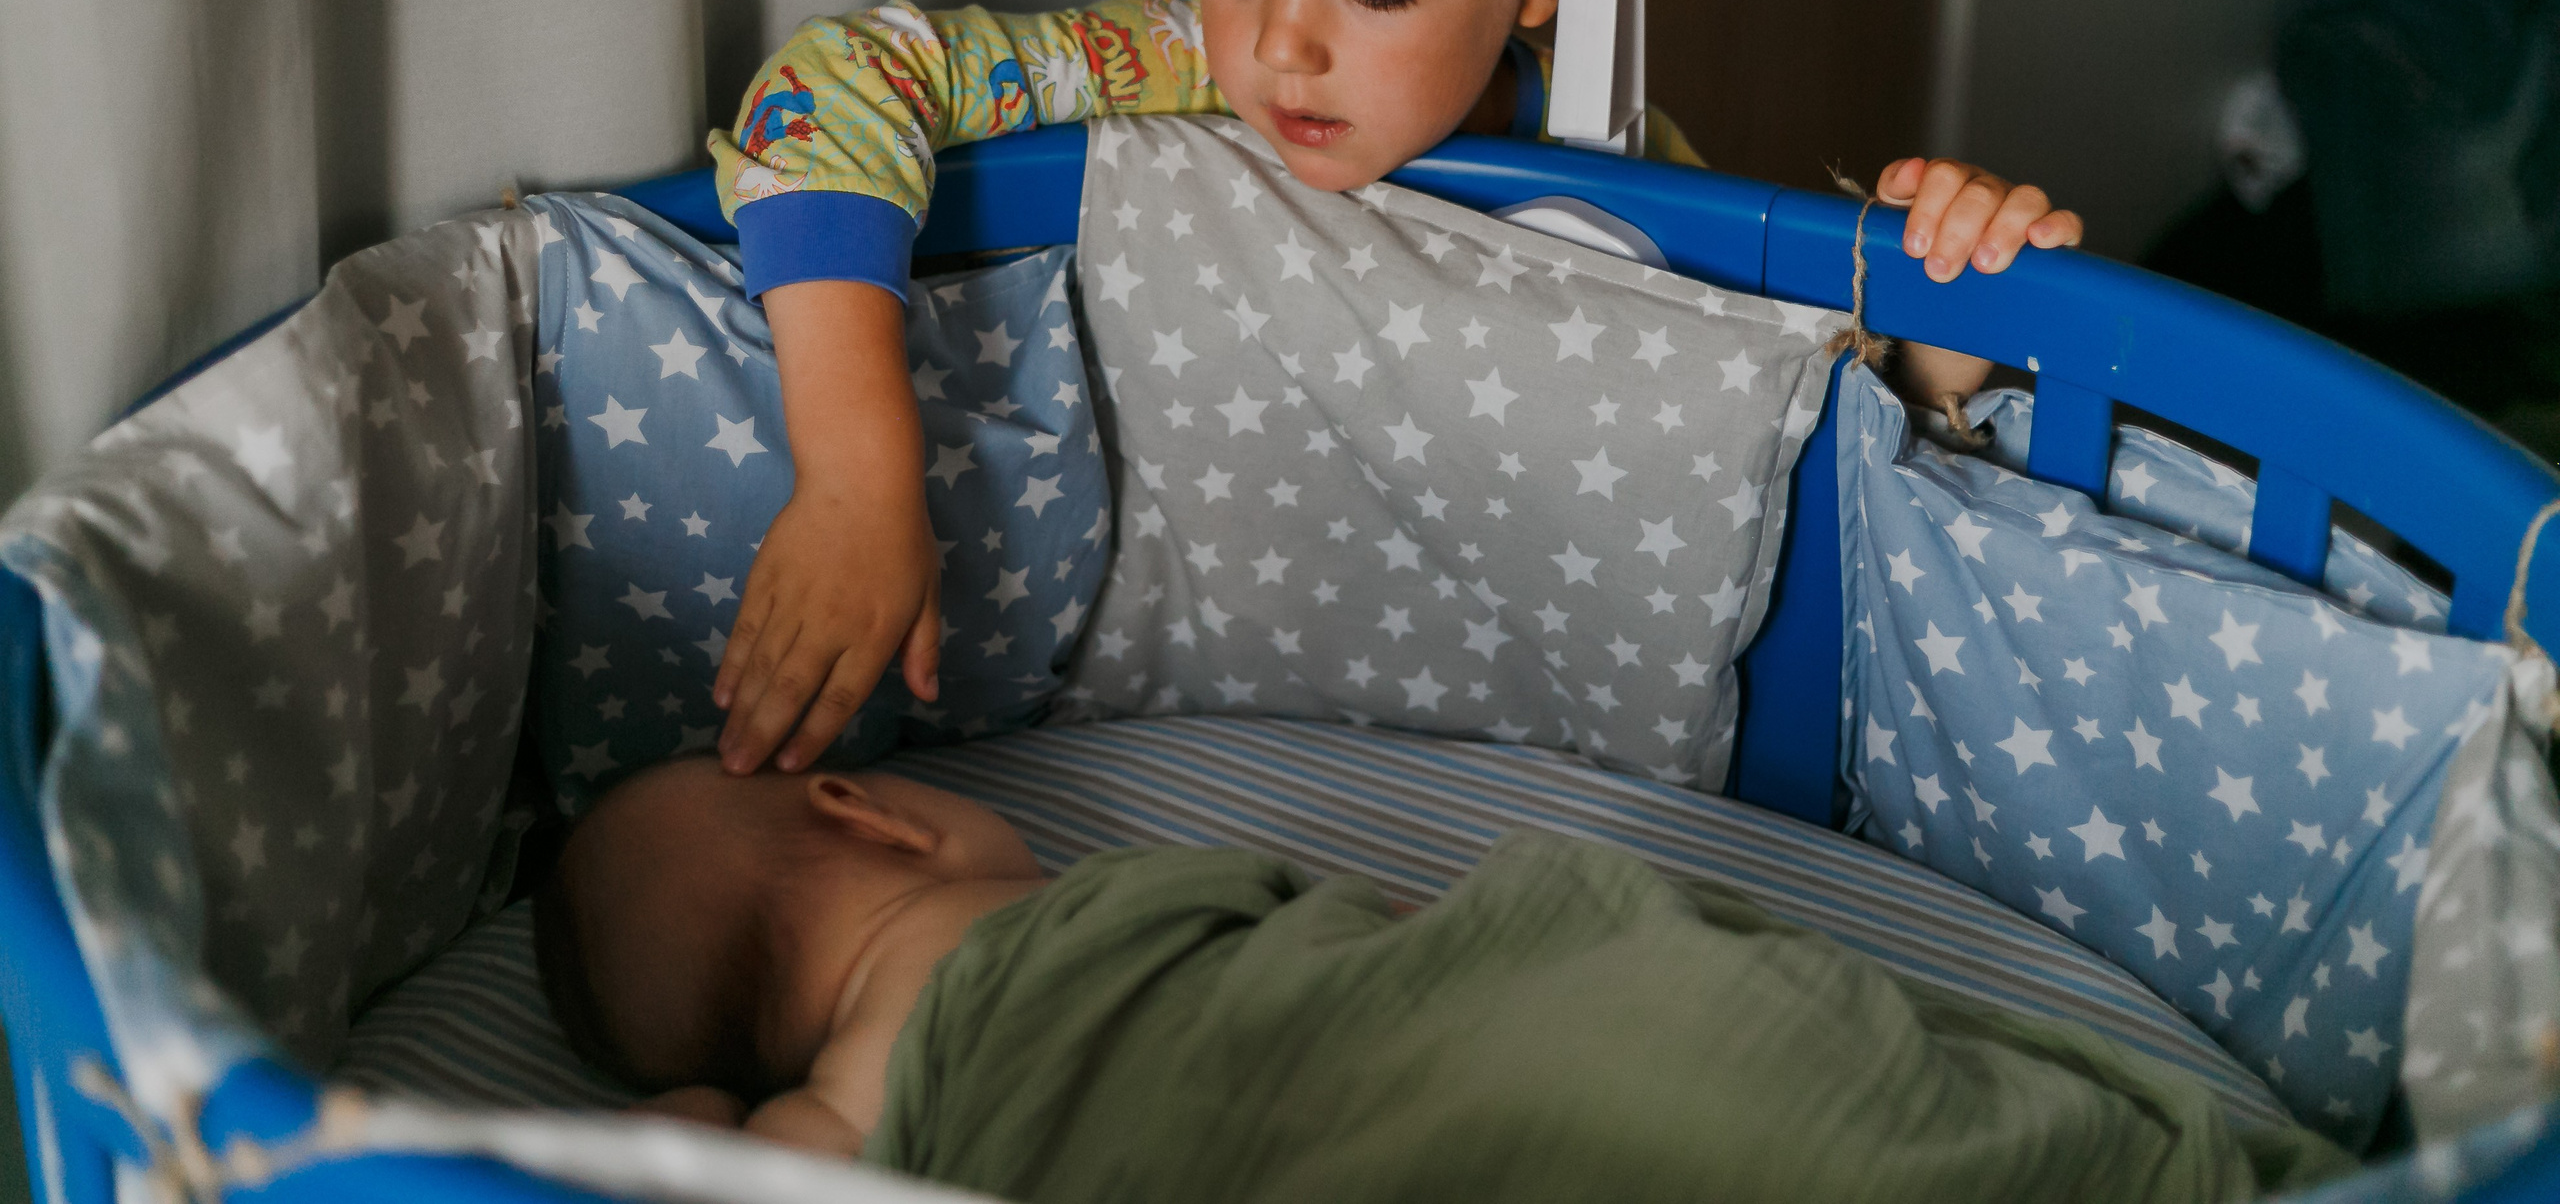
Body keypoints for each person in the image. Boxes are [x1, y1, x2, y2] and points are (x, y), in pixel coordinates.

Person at [700, 0, 2085, 777]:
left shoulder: (1621, 178)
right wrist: (859, 474)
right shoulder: (1184, 62)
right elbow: (836, 83)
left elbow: (1820, 419)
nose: (1282, 42)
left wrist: (1945, 304)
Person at [533, 757, 2351, 1201]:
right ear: (871, 812)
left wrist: (688, 1106)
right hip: (1559, 1023)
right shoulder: (1071, 903)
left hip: (1422, 1104)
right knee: (1742, 1074)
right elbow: (1384, 954)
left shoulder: (836, 1114)